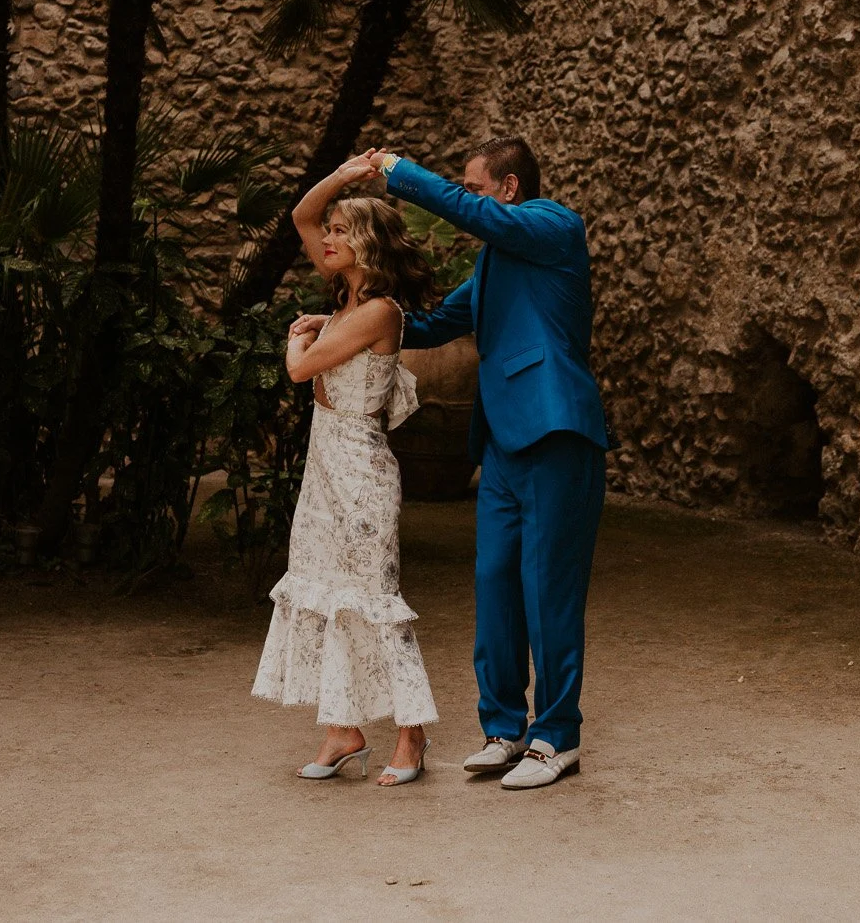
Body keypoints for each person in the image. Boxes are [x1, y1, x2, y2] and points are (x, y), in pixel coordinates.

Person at [362, 137, 607, 791]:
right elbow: (436, 323)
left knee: (547, 588)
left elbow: (481, 219)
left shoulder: (556, 225)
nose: (468, 200)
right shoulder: (495, 261)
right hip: (500, 443)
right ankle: (504, 729)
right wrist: (352, 324)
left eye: (474, 188)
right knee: (497, 583)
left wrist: (398, 171)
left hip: (557, 431)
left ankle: (557, 737)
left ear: (508, 188)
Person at [251, 158, 438, 786]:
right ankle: (343, 729)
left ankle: (411, 736)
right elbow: (300, 214)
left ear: (368, 245)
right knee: (325, 588)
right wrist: (343, 174)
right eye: (329, 231)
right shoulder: (345, 298)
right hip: (323, 465)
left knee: (373, 598)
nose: (326, 238)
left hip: (360, 468)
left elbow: (301, 371)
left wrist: (296, 336)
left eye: (341, 231)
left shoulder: (380, 310)